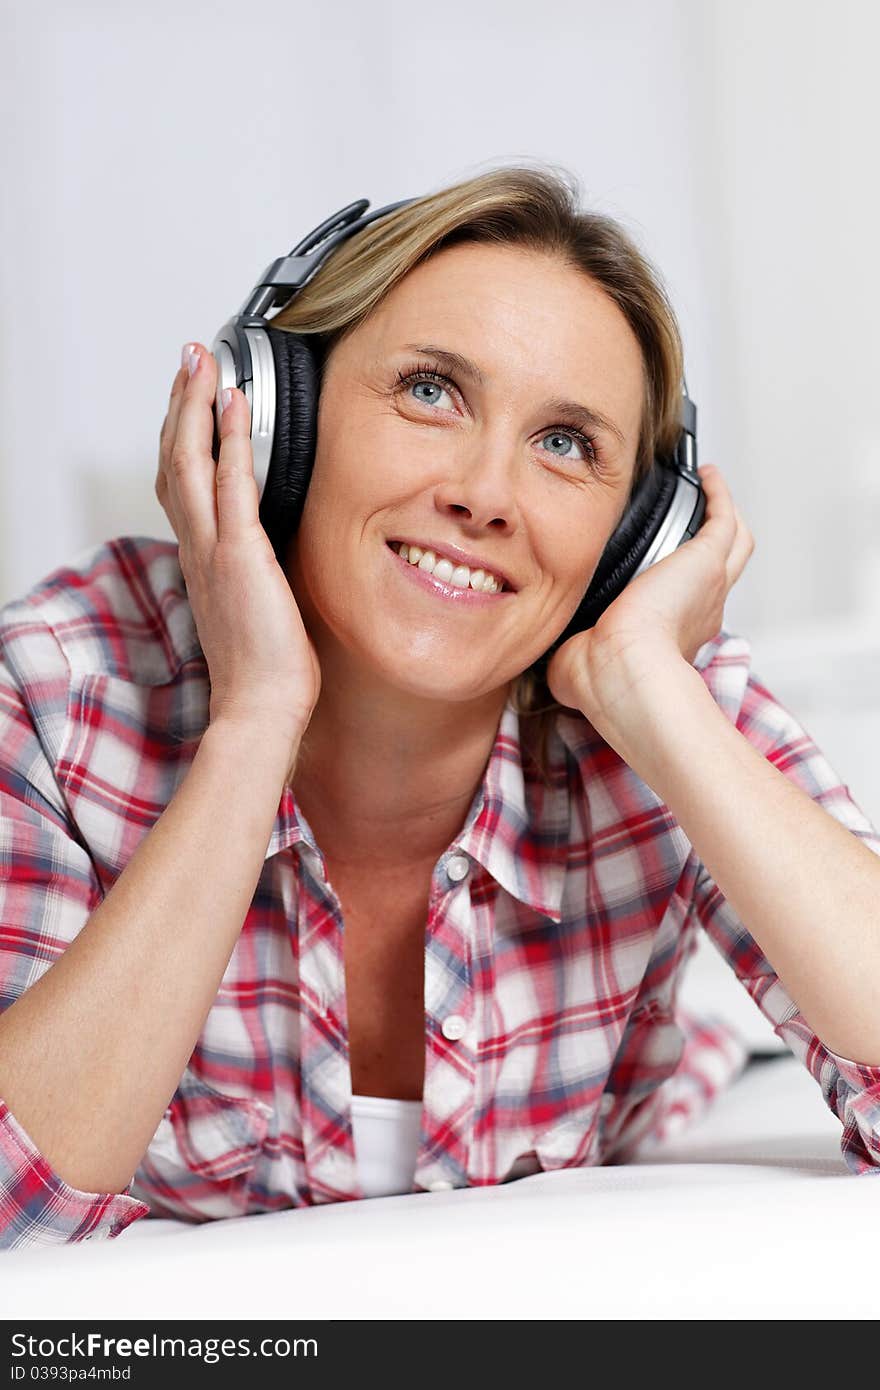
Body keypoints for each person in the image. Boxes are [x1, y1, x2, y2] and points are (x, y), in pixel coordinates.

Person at [1, 166, 879, 1253]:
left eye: (566, 444)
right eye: (429, 390)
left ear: (632, 537)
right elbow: (12, 1209)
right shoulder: (61, 684)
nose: (485, 493)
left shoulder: (668, 702)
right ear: (280, 417)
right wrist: (254, 720)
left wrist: (658, 698)